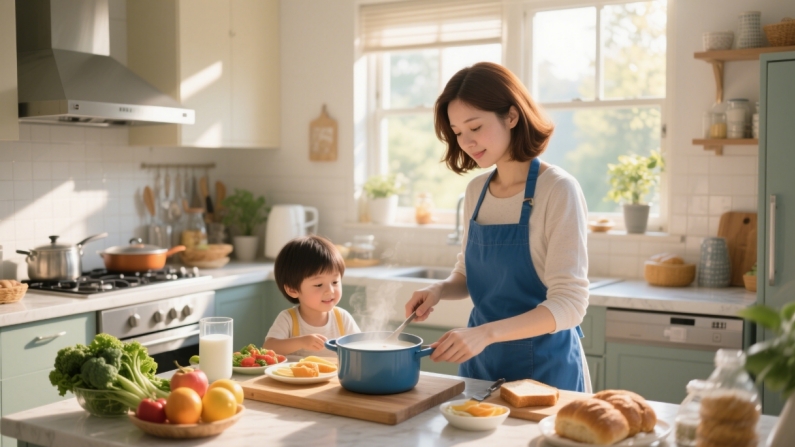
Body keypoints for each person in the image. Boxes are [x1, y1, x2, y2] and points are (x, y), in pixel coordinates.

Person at [405, 62, 591, 392]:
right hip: (481, 364)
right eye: (458, 132)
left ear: (512, 116)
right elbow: (466, 273)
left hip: (545, 371)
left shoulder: (558, 189)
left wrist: (485, 333)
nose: (466, 141)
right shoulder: (476, 191)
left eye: (475, 127)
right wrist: (439, 290)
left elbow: (570, 305)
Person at [265, 235, 360, 358]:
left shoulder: (342, 318)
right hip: (297, 377)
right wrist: (301, 342)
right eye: (319, 284)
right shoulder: (288, 319)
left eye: (335, 282)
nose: (330, 291)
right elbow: (269, 348)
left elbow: (359, 347)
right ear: (293, 290)